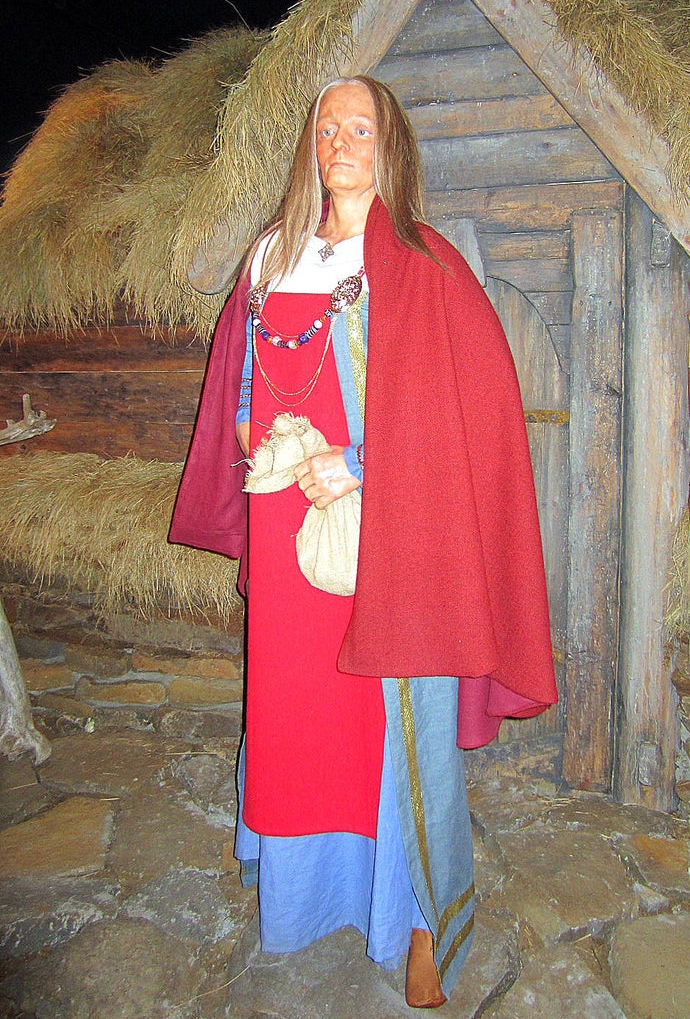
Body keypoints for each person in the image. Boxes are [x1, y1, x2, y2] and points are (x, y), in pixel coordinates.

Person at [170, 76, 557, 1007]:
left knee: (393, 721)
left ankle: (423, 910)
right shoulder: (270, 258)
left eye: (360, 126)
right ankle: (303, 890)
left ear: (391, 146)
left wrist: (358, 459)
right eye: (327, 126)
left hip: (389, 532)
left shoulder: (422, 263)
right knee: (299, 715)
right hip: (285, 515)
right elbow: (244, 387)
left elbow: (467, 411)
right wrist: (263, 443)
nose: (340, 140)